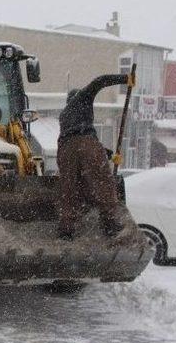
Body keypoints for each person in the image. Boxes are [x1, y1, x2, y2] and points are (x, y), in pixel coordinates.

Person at [57, 72, 135, 240]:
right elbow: (99, 81)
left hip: (65, 149)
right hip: (86, 143)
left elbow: (76, 144)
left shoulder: (64, 115)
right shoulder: (83, 97)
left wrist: (109, 154)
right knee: (102, 182)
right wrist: (124, 79)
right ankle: (111, 224)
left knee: (69, 188)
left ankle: (66, 230)